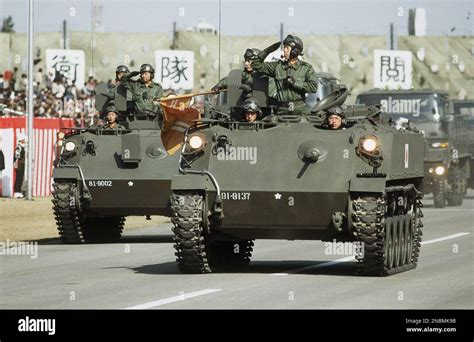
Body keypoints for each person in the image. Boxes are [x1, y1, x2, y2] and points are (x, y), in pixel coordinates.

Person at [251, 35, 318, 116]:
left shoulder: (306, 68)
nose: (284, 50)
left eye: (287, 48)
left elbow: (313, 87)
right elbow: (255, 65)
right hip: (282, 110)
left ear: (295, 51)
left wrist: (295, 83)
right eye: (284, 48)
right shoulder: (277, 66)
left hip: (300, 110)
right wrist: (267, 51)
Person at [211, 47, 279, 97]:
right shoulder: (245, 74)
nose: (246, 64)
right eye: (245, 61)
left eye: (248, 61)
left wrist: (248, 86)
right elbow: (232, 79)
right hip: (249, 105)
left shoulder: (267, 74)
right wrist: (218, 86)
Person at [13, 133, 26, 198]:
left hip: (22, 164)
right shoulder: (18, 147)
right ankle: (16, 191)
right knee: (18, 178)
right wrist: (16, 164)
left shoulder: (22, 147)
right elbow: (17, 157)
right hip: (19, 164)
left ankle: (19, 191)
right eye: (23, 139)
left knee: (21, 178)